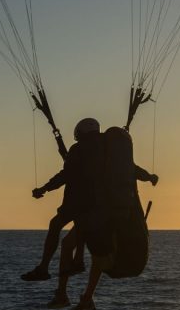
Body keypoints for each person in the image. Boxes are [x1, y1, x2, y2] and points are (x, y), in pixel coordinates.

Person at [22, 121, 158, 287]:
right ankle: (78, 270)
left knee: (56, 224)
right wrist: (150, 177)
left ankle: (44, 268)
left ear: (80, 133)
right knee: (83, 233)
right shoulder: (110, 151)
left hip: (82, 203)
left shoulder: (79, 149)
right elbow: (132, 169)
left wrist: (43, 189)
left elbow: (65, 175)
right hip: (104, 206)